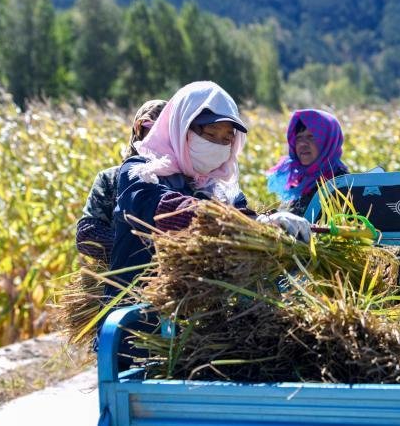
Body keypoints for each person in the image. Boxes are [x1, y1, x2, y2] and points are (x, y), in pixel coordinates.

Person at [108, 81, 311, 293]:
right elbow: (167, 208)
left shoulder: (218, 187)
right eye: (210, 134)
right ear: (182, 127)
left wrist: (273, 225)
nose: (217, 145)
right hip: (136, 306)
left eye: (226, 139)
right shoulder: (140, 171)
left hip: (191, 309)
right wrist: (249, 223)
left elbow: (241, 213)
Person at [76, 99, 166, 264]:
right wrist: (143, 252)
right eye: (151, 131)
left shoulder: (186, 180)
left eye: (165, 134)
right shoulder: (111, 179)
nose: (158, 140)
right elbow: (86, 234)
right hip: (118, 280)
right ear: (139, 131)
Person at [267, 109, 349, 218]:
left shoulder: (340, 184)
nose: (302, 144)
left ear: (328, 142)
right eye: (299, 138)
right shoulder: (298, 180)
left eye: (311, 137)